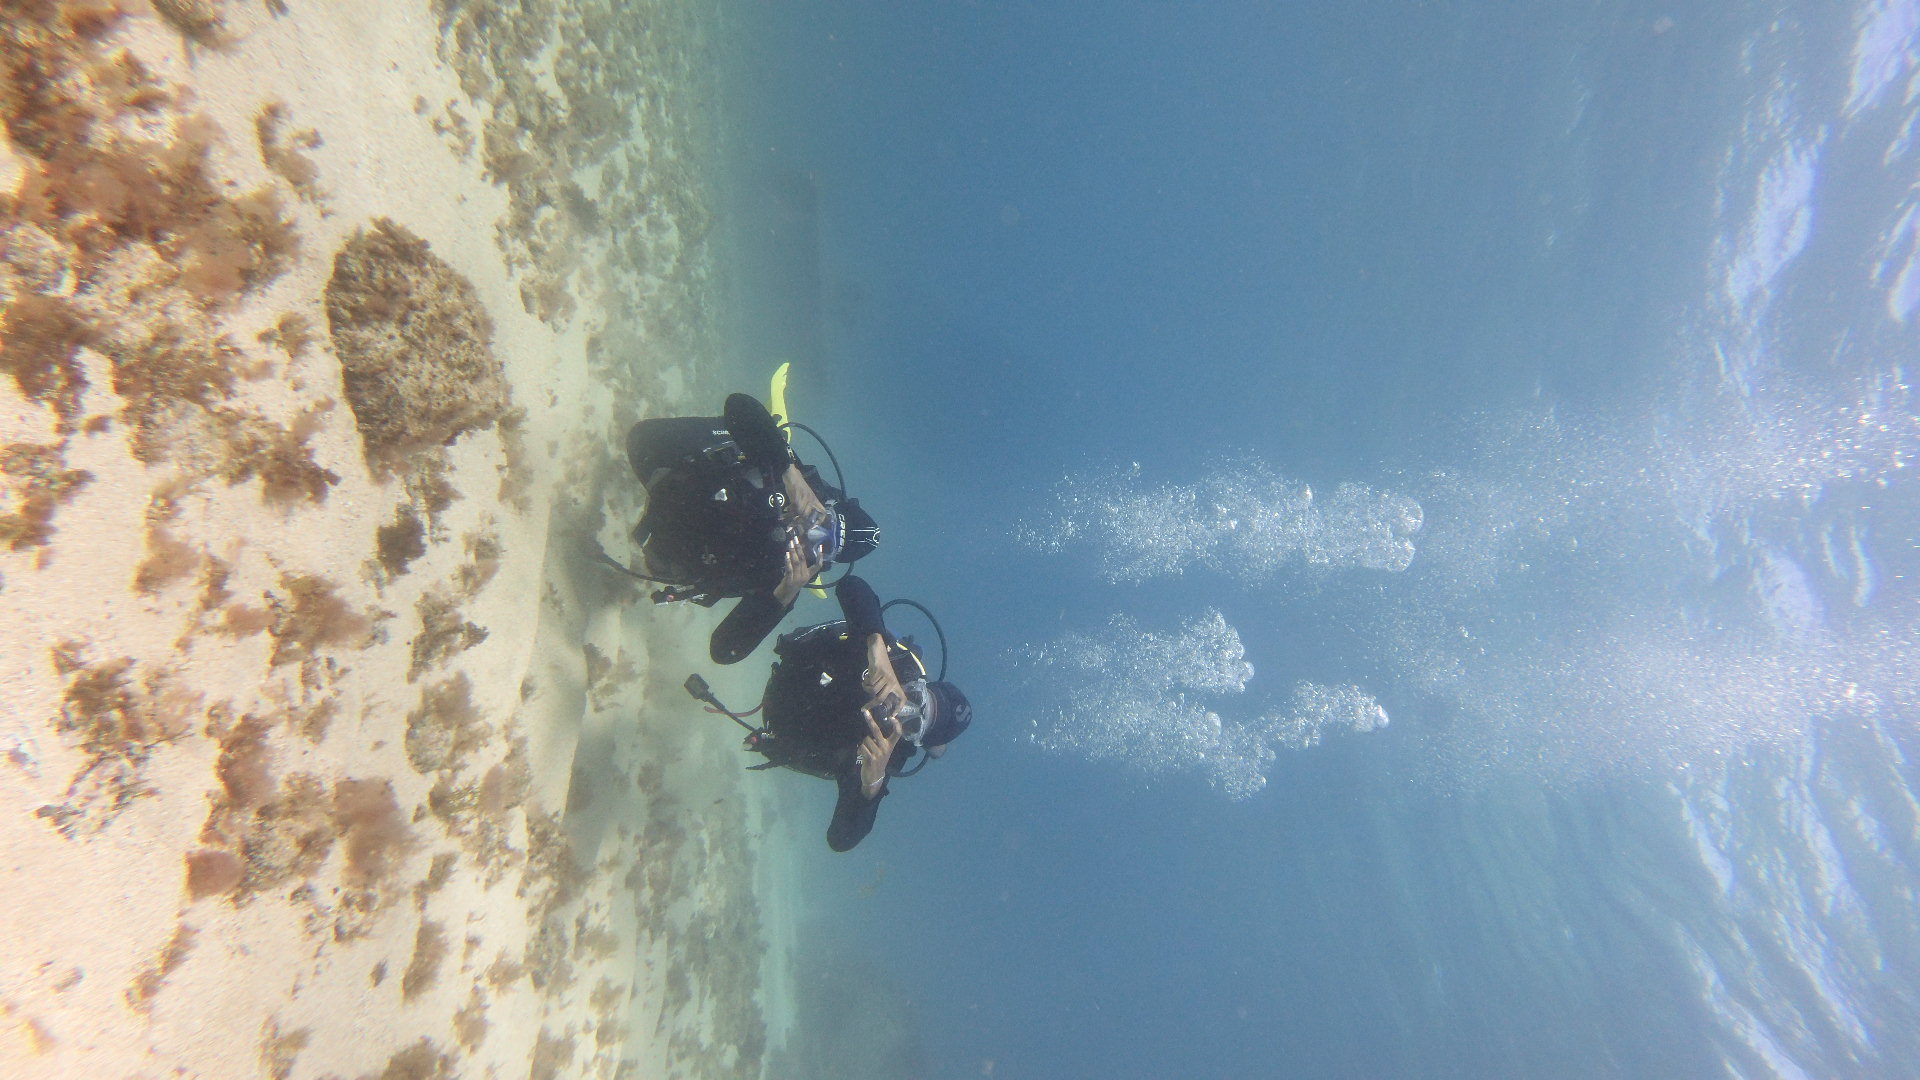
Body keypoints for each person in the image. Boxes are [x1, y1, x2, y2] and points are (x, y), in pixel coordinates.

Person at [626, 393, 879, 665]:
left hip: (675, 542)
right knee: (642, 438)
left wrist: (783, 595)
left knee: (655, 562)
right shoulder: (797, 480)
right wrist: (789, 472)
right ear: (826, 504)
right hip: (678, 479)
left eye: (824, 545)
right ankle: (763, 437)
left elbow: (723, 652)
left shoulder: (786, 578)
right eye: (823, 522)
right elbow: (737, 404)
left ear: (825, 560)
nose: (811, 533)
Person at [748, 575, 971, 851]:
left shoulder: (885, 757)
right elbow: (850, 585)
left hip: (782, 727)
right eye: (914, 698)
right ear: (917, 683)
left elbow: (840, 840)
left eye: (913, 724)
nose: (902, 711)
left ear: (913, 740)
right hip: (793, 675)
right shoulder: (895, 661)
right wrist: (876, 646)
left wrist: (871, 785)